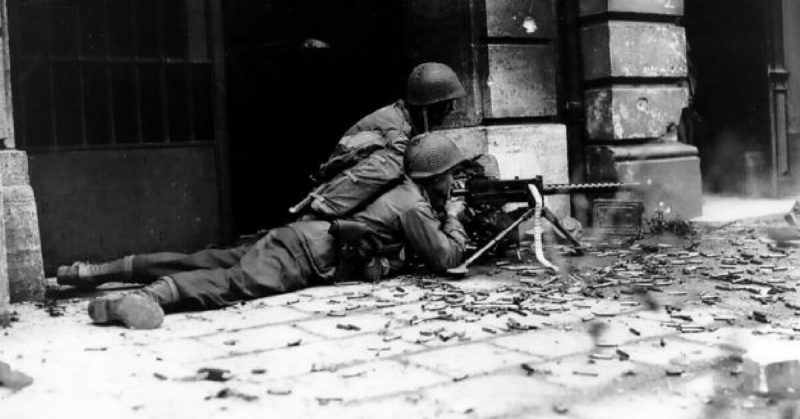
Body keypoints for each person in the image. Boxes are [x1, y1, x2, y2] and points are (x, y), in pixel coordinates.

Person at [55, 133, 469, 330]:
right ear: (436, 176)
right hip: (304, 255)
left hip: (298, 236)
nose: (453, 181)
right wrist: (453, 215)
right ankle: (147, 297)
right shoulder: (414, 203)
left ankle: (94, 271)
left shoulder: (398, 189)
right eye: (451, 175)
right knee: (233, 283)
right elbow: (447, 258)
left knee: (202, 259)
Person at [292, 62, 466, 219]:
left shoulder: (401, 118)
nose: (452, 109)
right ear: (427, 108)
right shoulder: (397, 139)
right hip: (335, 206)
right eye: (446, 104)